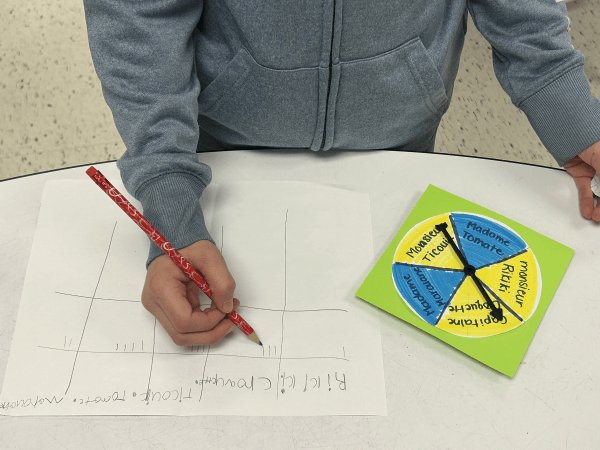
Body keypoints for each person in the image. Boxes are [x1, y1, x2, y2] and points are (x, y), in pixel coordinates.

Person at [82, 0, 600, 346]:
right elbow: (138, 21)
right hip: (226, 149)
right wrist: (169, 199)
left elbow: (523, 13)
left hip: (402, 141)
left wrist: (578, 124)